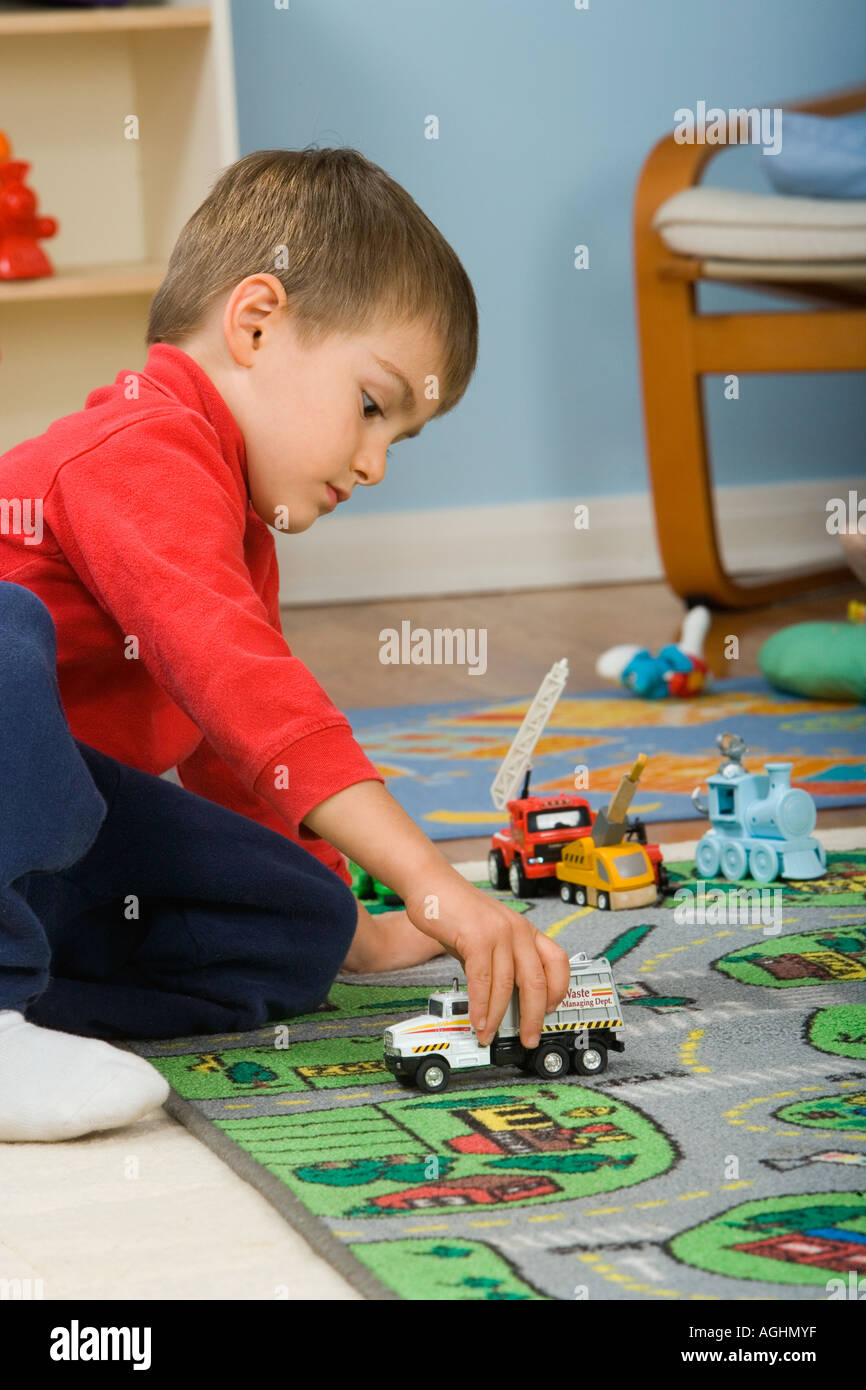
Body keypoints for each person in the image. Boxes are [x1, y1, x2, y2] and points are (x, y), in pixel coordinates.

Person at [0, 148, 569, 1142]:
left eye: (398, 436)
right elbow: (244, 684)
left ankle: (37, 1007)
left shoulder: (237, 522)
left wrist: (363, 918)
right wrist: (433, 882)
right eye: (370, 406)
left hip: (46, 849)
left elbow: (238, 756)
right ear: (255, 322)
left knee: (300, 923)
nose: (374, 462)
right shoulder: (140, 448)